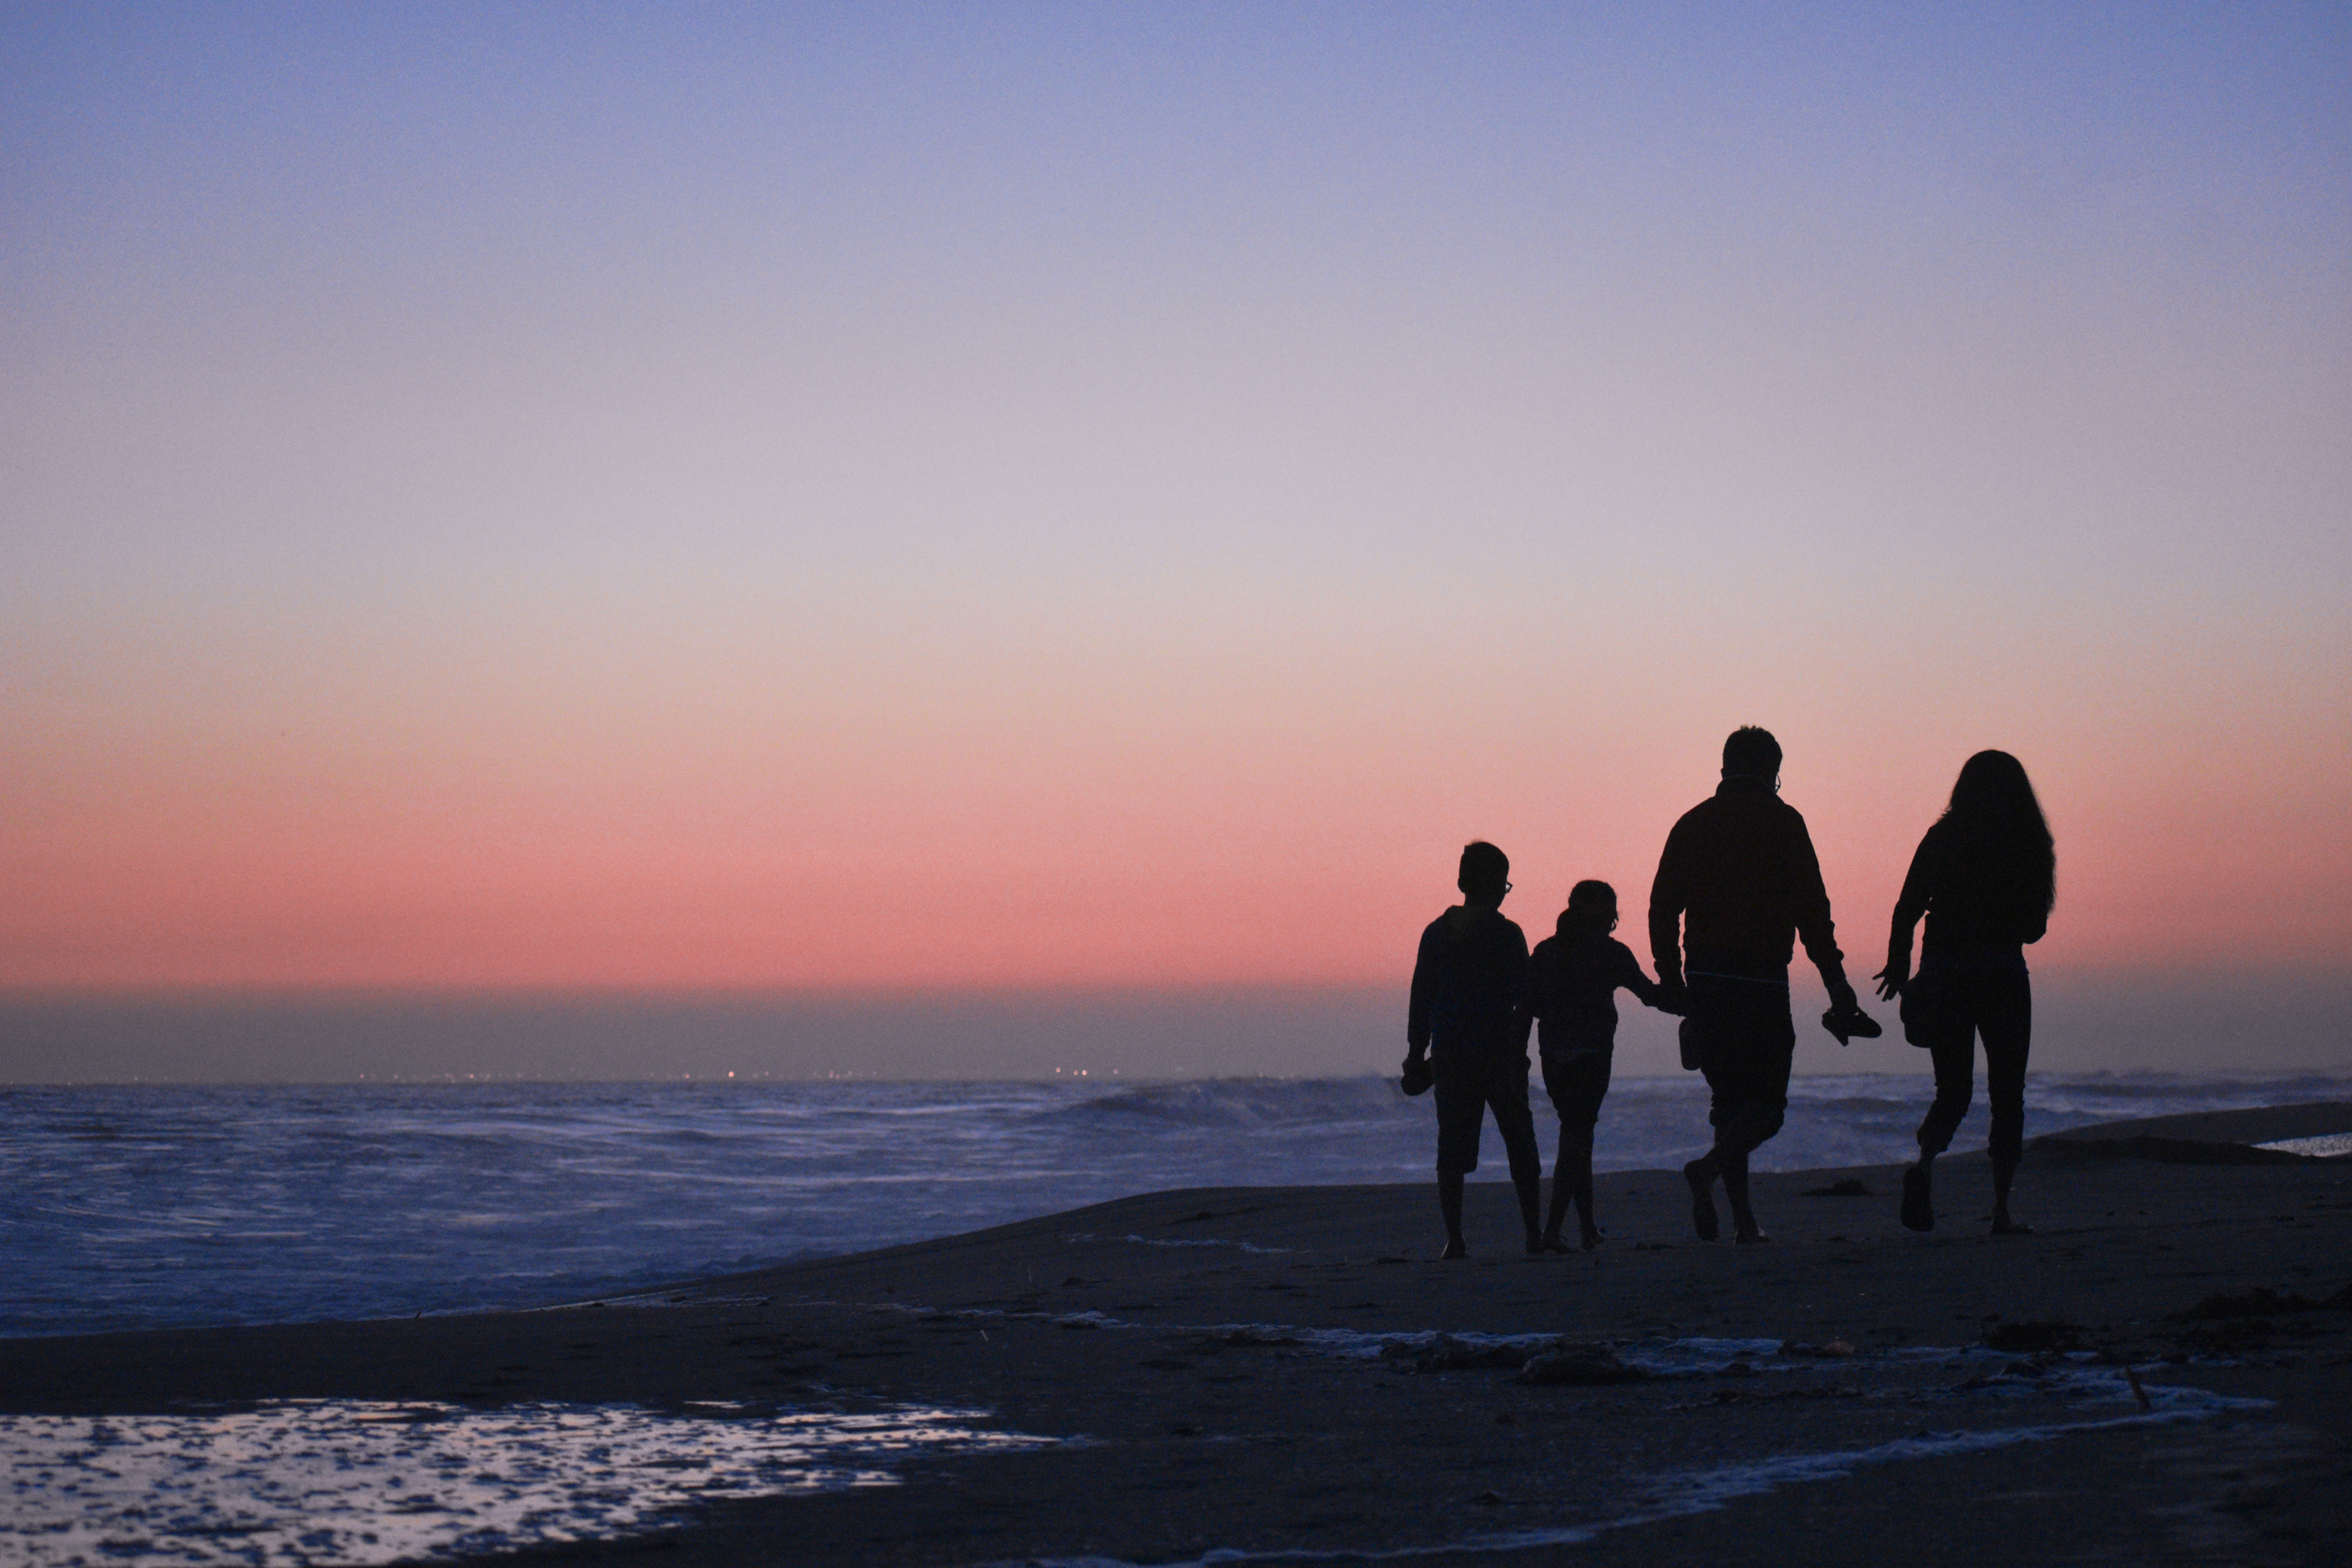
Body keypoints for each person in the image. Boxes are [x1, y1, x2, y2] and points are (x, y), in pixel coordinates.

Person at [1649, 727, 1867, 1244]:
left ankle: (1744, 1222)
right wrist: (1836, 982)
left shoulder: (1693, 823)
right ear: (1774, 772)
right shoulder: (1784, 822)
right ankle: (1708, 1170)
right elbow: (1812, 911)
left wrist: (1670, 975)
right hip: (1761, 978)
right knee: (1766, 1109)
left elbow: (1662, 907)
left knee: (1730, 1104)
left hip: (1705, 977)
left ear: (1724, 767)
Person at [1874, 750, 2055, 1236]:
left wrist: (1898, 966)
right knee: (2007, 1095)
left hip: (1945, 975)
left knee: (1952, 1091)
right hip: (2002, 975)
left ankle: (1926, 1165)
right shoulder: (2028, 842)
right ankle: (2000, 1209)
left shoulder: (1943, 837)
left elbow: (1907, 908)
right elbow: (2035, 928)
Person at [1515, 881, 1678, 1251]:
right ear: (1607, 916)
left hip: (1552, 1057)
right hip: (1592, 1055)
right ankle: (1552, 1231)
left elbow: (1525, 1009)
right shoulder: (1612, 953)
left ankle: (1587, 1228)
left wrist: (1518, 1054)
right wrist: (1686, 999)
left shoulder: (1546, 952)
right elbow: (1650, 995)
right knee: (1577, 1136)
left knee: (1577, 1135)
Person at [1405, 841, 1544, 1259]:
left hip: (1450, 1052)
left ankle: (1455, 1237)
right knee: (1520, 1141)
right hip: (1498, 1050)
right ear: (1499, 886)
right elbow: (1526, 998)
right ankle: (1533, 1234)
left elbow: (1421, 997)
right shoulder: (1506, 933)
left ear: (1463, 882)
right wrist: (1520, 1047)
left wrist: (1416, 1053)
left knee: (1453, 1146)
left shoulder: (1436, 933)